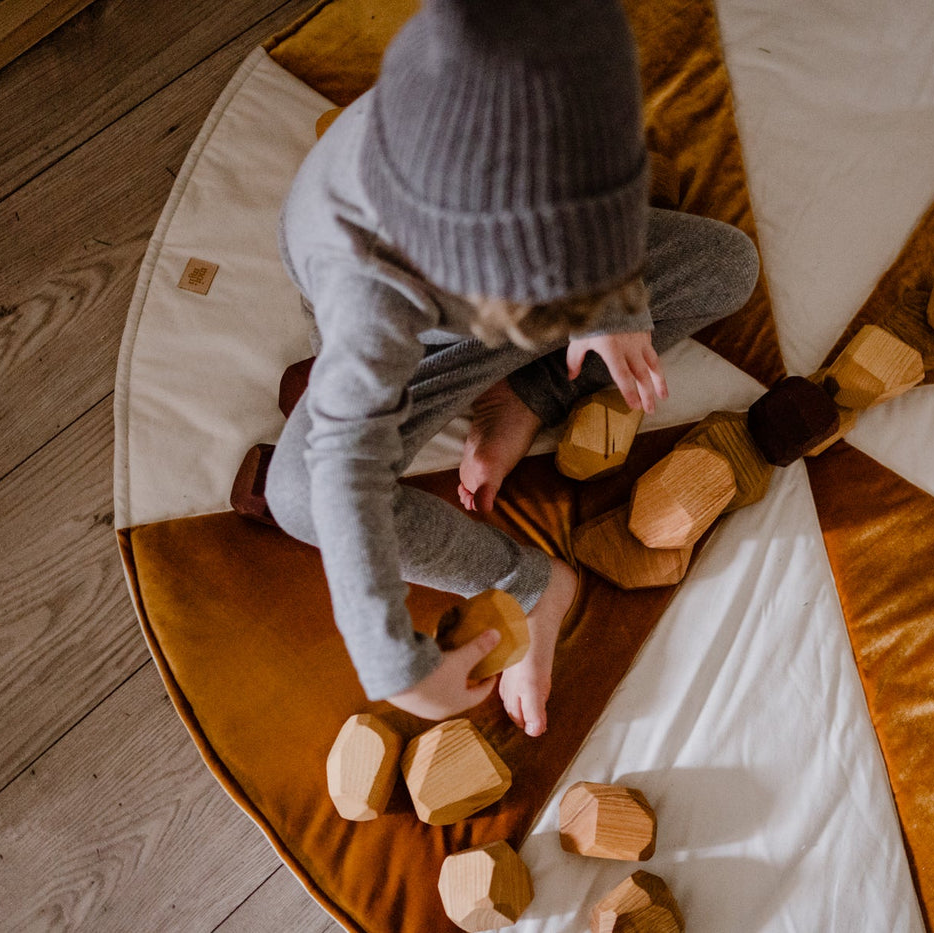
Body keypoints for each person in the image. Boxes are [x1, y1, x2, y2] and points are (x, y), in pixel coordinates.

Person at [264, 0, 760, 736]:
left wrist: (611, 302)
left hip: (494, 268)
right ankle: (530, 583)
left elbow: (596, 203)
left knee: (729, 268)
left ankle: (524, 391)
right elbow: (343, 464)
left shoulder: (557, 49)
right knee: (299, 493)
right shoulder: (373, 294)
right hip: (423, 336)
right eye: (536, 307)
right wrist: (392, 662)